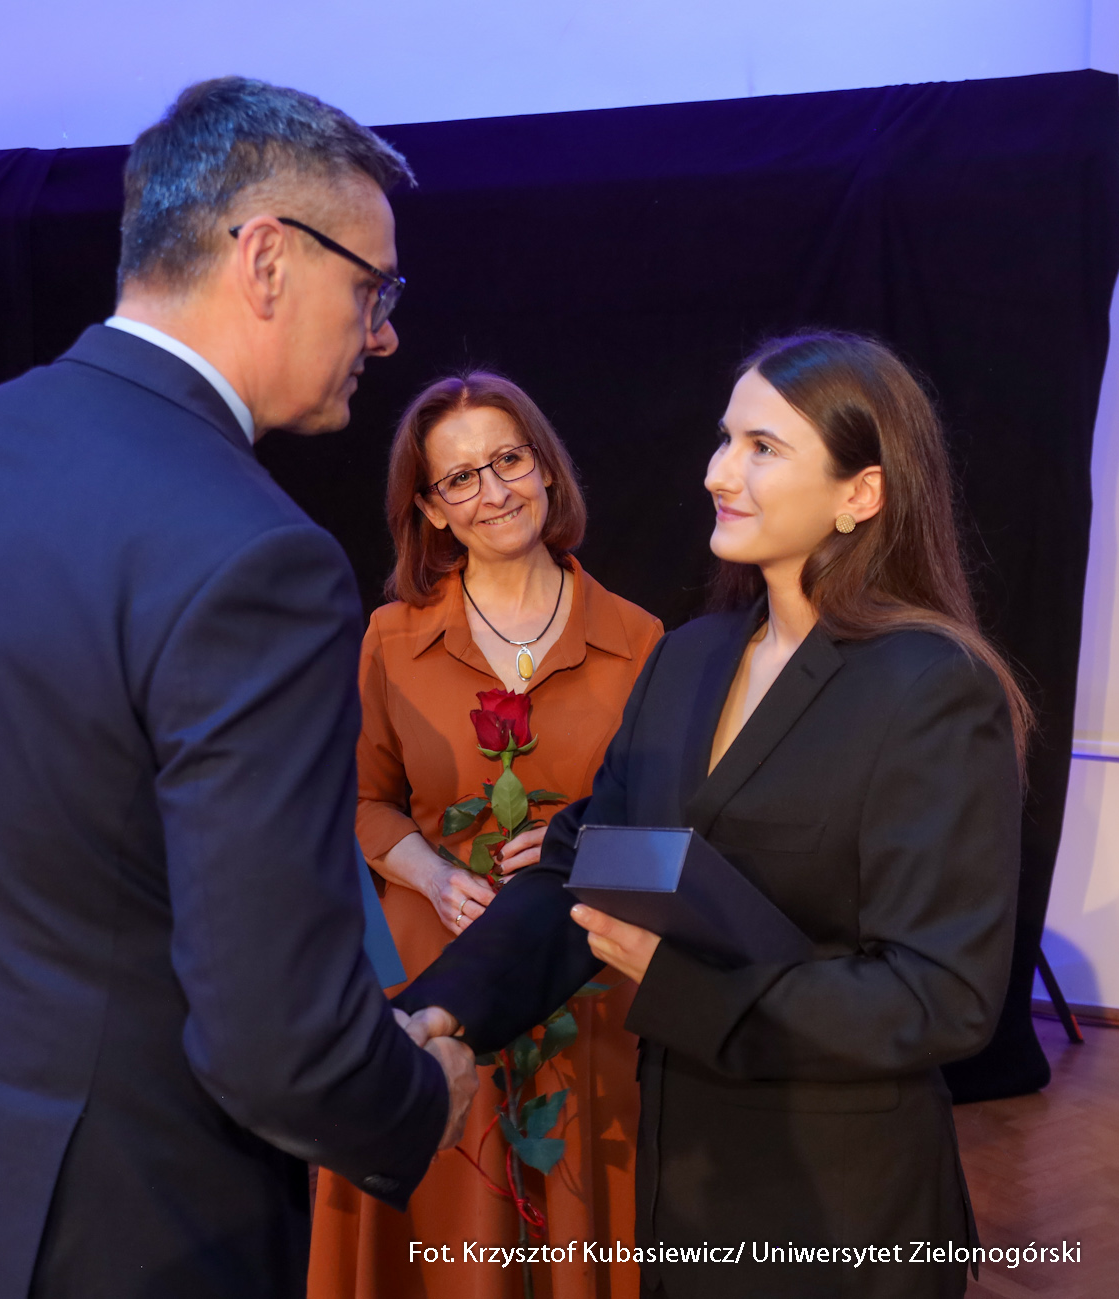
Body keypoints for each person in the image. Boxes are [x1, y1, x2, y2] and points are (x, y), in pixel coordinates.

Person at [0, 78, 477, 1299]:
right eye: (374, 289)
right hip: (116, 1233)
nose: (382, 335)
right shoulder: (254, 552)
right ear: (266, 258)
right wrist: (417, 1094)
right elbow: (273, 1037)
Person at [398, 332, 1026, 1299]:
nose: (717, 472)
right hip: (683, 1184)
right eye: (726, 438)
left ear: (861, 493)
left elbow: (940, 996)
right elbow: (578, 870)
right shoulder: (689, 656)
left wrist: (683, 986)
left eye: (762, 447)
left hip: (841, 1208)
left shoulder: (933, 687)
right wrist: (434, 1011)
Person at [310, 372, 661, 1299]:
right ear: (430, 508)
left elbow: (672, 840)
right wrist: (429, 872)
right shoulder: (390, 638)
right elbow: (357, 801)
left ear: (546, 469)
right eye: (460, 478)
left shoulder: (640, 639)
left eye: (508, 459)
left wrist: (580, 849)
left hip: (582, 982)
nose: (493, 491)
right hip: (432, 969)